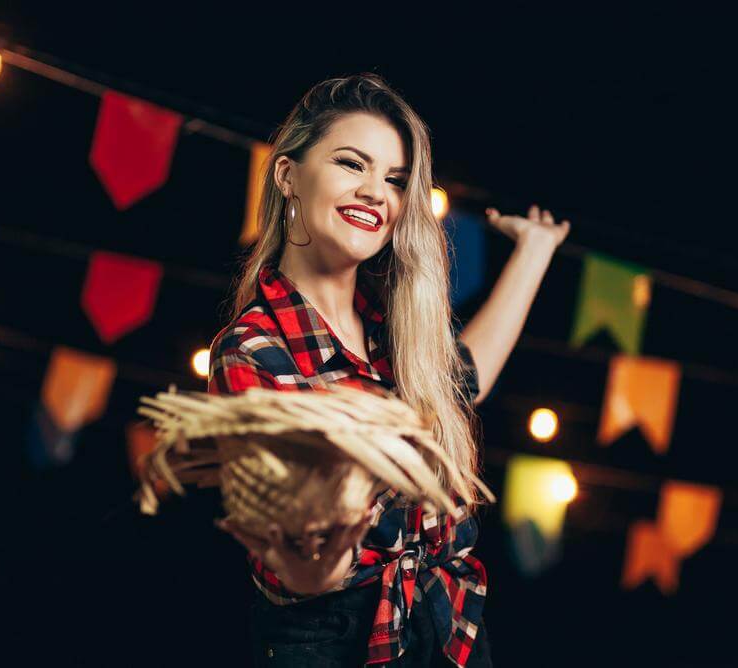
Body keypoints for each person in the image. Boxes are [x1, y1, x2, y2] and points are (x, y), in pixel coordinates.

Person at [208, 73, 570, 667]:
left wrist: (535, 250)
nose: (377, 191)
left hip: (447, 633)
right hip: (334, 647)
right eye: (353, 164)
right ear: (287, 175)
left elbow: (466, 378)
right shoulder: (251, 350)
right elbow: (298, 562)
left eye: (396, 180)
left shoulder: (393, 330)